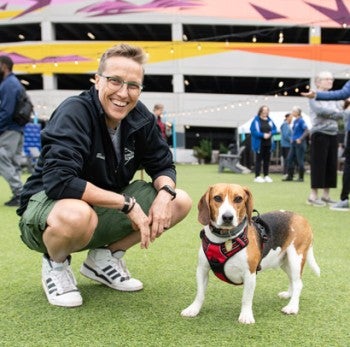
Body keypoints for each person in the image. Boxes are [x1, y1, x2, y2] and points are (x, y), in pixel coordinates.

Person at [16, 43, 192, 308]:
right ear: (97, 80)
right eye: (115, 81)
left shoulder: (140, 116)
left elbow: (162, 164)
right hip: (49, 211)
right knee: (78, 215)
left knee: (180, 200)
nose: (123, 93)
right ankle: (56, 264)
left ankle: (104, 258)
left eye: (133, 85)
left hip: (102, 209)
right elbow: (59, 181)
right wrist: (127, 204)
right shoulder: (74, 111)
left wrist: (165, 195)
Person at [302, 81, 350, 211]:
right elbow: (319, 111)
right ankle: (313, 195)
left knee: (331, 165)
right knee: (318, 164)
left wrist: (337, 113)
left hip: (333, 132)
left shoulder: (334, 97)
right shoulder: (314, 95)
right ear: (319, 81)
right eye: (327, 79)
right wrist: (338, 114)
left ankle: (326, 195)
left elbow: (340, 110)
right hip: (319, 133)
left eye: (331, 79)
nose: (330, 81)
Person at [0, 55, 25, 206]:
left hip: (9, 128)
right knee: (13, 161)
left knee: (2, 158)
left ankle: (19, 192)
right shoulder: (15, 83)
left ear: (4, 66)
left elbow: (6, 111)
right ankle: (20, 194)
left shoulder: (8, 84)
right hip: (17, 128)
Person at [250, 105, 277, 183]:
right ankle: (257, 176)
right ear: (260, 111)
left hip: (268, 143)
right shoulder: (256, 120)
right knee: (259, 160)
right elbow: (253, 131)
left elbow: (275, 129)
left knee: (267, 160)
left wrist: (270, 133)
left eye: (267, 111)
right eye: (264, 111)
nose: (265, 112)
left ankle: (266, 175)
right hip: (259, 144)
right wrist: (263, 135)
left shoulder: (270, 120)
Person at [282, 106, 309, 182]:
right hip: (293, 143)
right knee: (289, 159)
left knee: (300, 160)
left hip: (299, 143)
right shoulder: (295, 121)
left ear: (297, 113)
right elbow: (294, 131)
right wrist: (292, 138)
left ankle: (301, 177)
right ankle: (290, 176)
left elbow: (307, 130)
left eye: (293, 111)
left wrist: (300, 139)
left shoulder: (301, 121)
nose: (292, 113)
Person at [280, 112, 293, 178]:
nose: (292, 119)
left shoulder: (287, 125)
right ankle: (286, 172)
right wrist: (292, 139)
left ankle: (287, 172)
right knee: (287, 159)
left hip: (288, 145)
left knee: (288, 159)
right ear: (287, 117)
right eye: (291, 117)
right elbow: (285, 135)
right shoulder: (285, 125)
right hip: (286, 145)